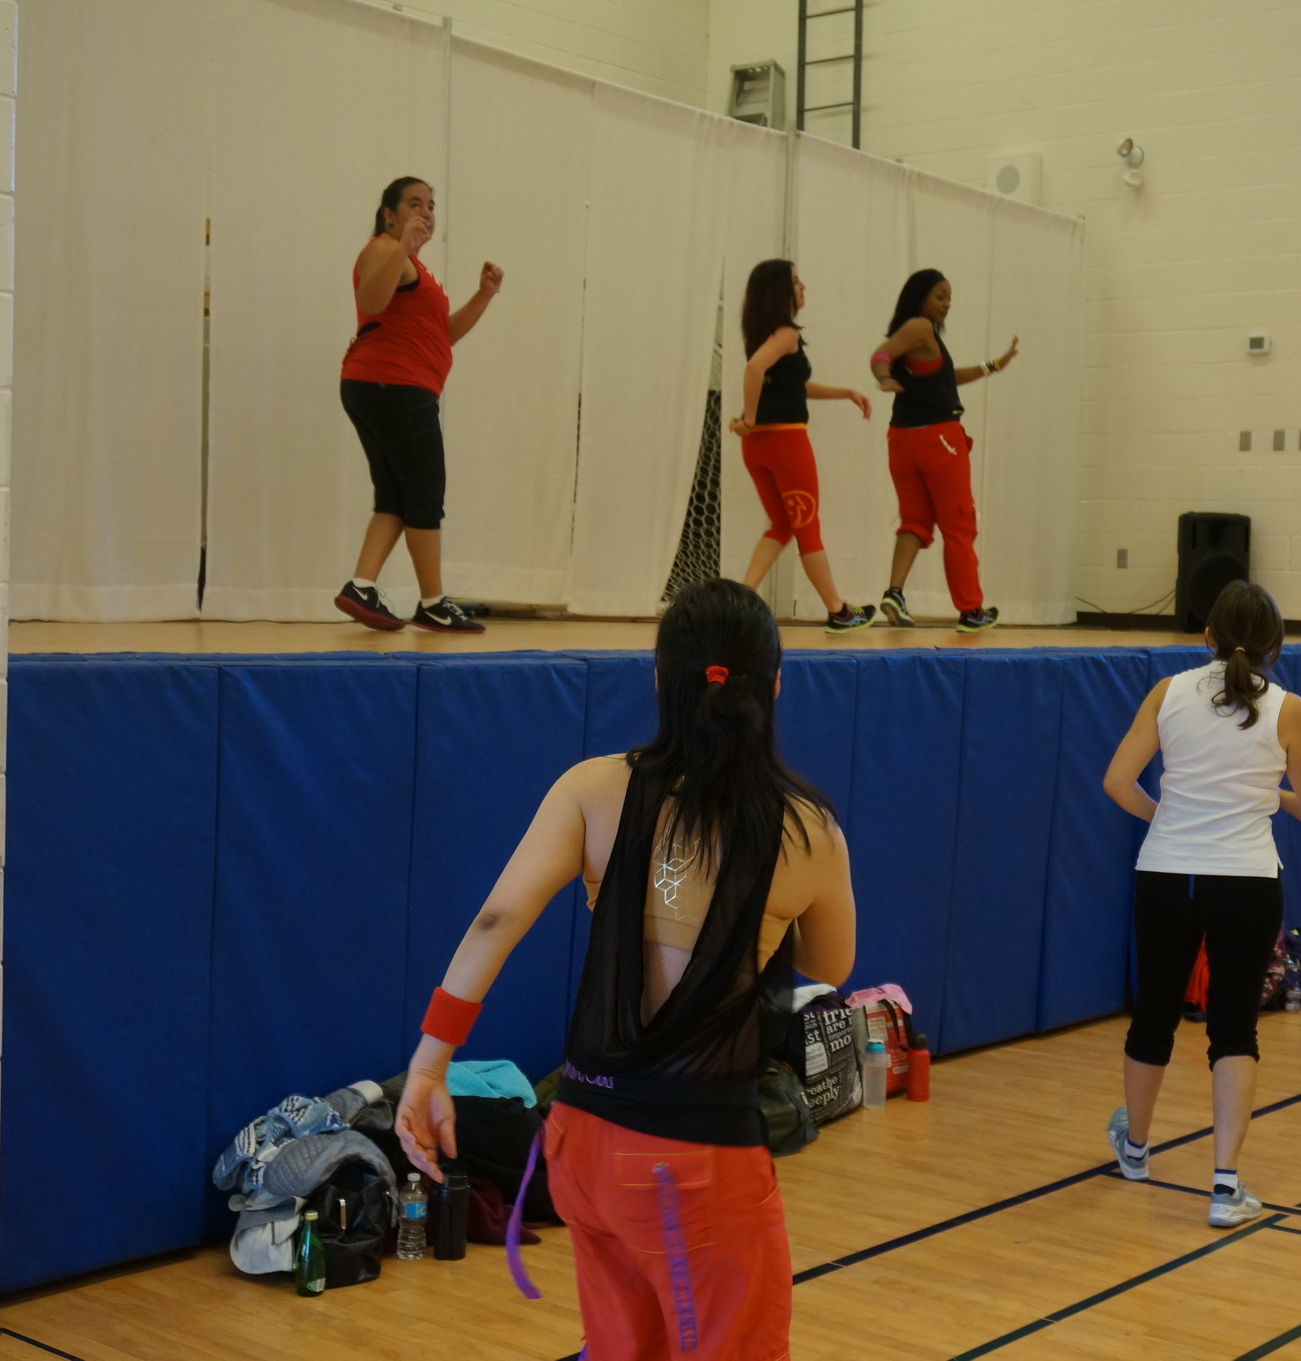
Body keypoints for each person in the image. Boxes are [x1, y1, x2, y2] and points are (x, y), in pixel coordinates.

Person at [395, 578, 857, 1358]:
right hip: (697, 1162)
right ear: (776, 686)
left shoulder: (590, 788)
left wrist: (428, 1064)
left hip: (583, 1143)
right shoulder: (808, 831)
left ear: (659, 679)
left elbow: (494, 921)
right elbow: (829, 966)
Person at [1098, 580, 1301, 1226]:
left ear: (1207, 637)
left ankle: (1135, 1151)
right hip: (1246, 882)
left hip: (1166, 874)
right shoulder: (1289, 709)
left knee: (1154, 1015)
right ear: (1275, 648)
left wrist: (1168, 819)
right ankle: (1225, 1187)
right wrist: (1265, 792)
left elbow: (1117, 781)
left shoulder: (1167, 692)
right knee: (1234, 1028)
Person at [333, 176, 502, 634]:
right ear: (389, 215)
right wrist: (403, 246)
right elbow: (371, 300)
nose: (425, 212)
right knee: (425, 492)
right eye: (414, 204)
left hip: (380, 385)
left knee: (396, 496)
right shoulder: (384, 250)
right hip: (394, 385)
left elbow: (441, 336)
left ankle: (361, 586)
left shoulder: (410, 266)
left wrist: (484, 293)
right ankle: (433, 603)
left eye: (430, 205)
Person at [866, 270, 1019, 633]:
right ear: (920, 297)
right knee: (958, 523)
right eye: (940, 296)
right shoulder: (920, 327)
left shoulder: (919, 335)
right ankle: (971, 610)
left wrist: (994, 365)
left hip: (901, 441)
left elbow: (947, 377)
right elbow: (879, 355)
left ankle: (894, 593)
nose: (947, 303)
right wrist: (884, 376)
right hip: (939, 440)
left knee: (916, 521)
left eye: (949, 297)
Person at [728, 259, 876, 634]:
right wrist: (749, 419)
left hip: (758, 448)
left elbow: (792, 388)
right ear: (780, 291)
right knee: (807, 527)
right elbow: (753, 370)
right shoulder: (786, 333)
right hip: (786, 444)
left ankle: (742, 602)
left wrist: (846, 392)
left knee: (782, 525)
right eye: (796, 281)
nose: (803, 286)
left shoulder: (764, 334)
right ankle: (838, 611)